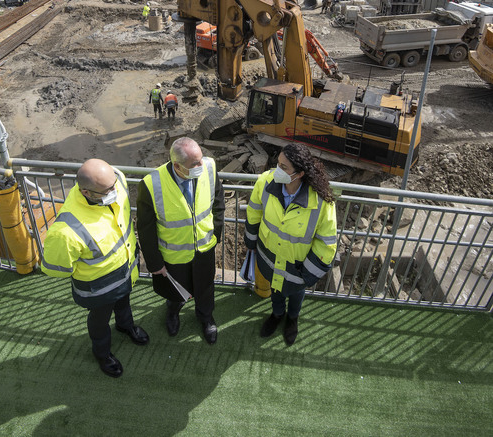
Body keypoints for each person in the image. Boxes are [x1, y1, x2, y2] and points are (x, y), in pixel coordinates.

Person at [41, 158, 149, 378]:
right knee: (100, 320)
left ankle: (125, 325)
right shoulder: (67, 230)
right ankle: (102, 354)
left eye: (113, 186)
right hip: (98, 288)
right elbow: (57, 268)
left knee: (124, 300)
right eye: (107, 190)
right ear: (86, 193)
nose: (114, 192)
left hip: (125, 272)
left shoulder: (116, 181)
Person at [244, 143, 337, 346]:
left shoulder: (322, 202)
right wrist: (251, 241)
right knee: (276, 291)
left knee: (295, 293)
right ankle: (277, 315)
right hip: (269, 258)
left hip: (296, 266)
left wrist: (307, 274)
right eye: (278, 164)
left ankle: (292, 319)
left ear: (300, 173)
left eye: (284, 167)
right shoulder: (266, 182)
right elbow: (254, 212)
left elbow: (326, 242)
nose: (277, 170)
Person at [136, 137, 225, 344]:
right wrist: (155, 263)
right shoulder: (152, 184)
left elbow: (218, 203)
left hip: (204, 248)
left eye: (201, 159)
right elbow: (146, 228)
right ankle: (173, 312)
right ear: (177, 166)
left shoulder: (209, 168)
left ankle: (206, 317)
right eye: (195, 164)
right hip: (174, 254)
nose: (201, 165)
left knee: (205, 287)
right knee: (176, 290)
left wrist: (216, 234)